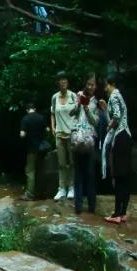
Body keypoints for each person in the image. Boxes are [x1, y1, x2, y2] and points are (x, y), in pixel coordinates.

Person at [102, 77, 133, 223]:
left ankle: (117, 215)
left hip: (120, 138)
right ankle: (123, 212)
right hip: (126, 136)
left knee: (119, 176)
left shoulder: (114, 96)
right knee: (125, 177)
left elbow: (116, 116)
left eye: (106, 86)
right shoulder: (120, 96)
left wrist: (109, 126)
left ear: (112, 84)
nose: (105, 89)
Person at [71, 75, 100, 214]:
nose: (90, 87)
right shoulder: (78, 96)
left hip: (89, 141)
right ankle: (78, 206)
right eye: (88, 84)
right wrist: (77, 104)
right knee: (78, 174)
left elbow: (96, 122)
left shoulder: (97, 102)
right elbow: (71, 113)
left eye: (92, 85)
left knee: (90, 174)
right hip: (77, 140)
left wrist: (87, 109)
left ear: (96, 86)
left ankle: (92, 206)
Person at [50, 72, 77, 200]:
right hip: (59, 134)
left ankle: (71, 187)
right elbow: (52, 113)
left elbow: (79, 113)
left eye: (65, 80)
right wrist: (53, 127)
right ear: (58, 83)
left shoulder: (73, 96)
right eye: (61, 80)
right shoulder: (54, 97)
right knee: (61, 163)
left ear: (68, 82)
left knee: (71, 162)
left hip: (71, 134)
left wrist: (76, 128)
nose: (63, 82)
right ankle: (61, 188)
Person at [19, 102, 48, 201]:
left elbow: (22, 134)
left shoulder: (25, 119)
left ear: (27, 110)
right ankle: (42, 192)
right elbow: (47, 130)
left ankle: (30, 194)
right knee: (41, 170)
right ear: (34, 108)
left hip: (32, 149)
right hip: (42, 149)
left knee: (30, 171)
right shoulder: (41, 118)